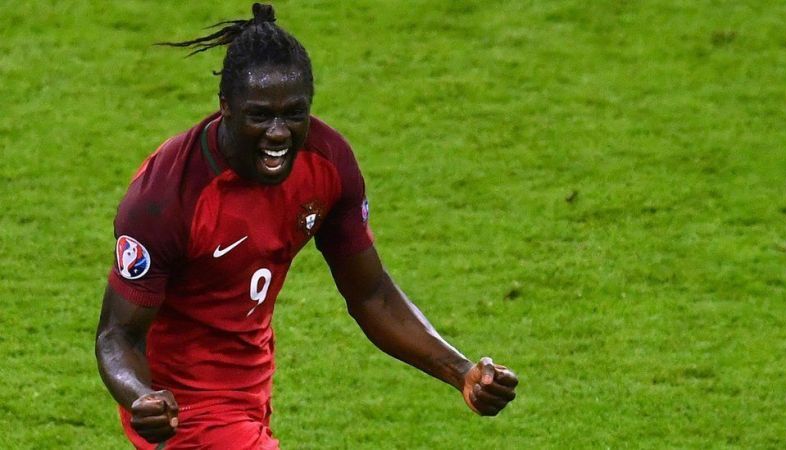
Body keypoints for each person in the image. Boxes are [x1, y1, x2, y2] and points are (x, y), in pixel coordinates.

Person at [95, 4, 518, 449]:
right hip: (183, 407)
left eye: (294, 114)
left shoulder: (328, 164)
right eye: (260, 116)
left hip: (251, 387)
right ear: (226, 108)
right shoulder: (166, 199)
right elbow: (116, 334)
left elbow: (370, 292)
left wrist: (462, 373)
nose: (279, 133)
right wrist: (141, 397)